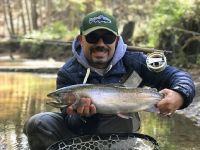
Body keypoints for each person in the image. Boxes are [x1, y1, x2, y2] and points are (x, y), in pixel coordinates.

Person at [23, 10, 195, 150]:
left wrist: (180, 94)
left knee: (118, 116)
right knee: (38, 123)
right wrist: (84, 117)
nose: (101, 43)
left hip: (120, 129)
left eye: (107, 38)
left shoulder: (135, 61)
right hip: (80, 134)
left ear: (117, 40)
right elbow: (70, 122)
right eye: (92, 38)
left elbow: (178, 76)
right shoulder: (68, 72)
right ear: (81, 40)